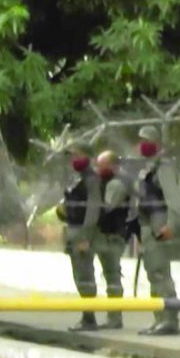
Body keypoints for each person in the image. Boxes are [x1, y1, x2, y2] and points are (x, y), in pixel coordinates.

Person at [136, 125, 180, 336]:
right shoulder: (150, 167)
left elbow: (175, 200)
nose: (142, 144)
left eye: (146, 140)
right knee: (153, 274)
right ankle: (159, 319)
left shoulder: (164, 166)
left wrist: (172, 225)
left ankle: (169, 320)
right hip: (149, 225)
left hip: (160, 222)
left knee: (160, 274)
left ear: (155, 142)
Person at [61, 142, 102, 332]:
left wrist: (86, 236)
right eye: (71, 155)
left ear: (86, 156)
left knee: (85, 275)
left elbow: (93, 209)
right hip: (72, 229)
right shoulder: (76, 179)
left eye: (76, 155)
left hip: (82, 232)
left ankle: (89, 318)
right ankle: (87, 316)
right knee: (79, 276)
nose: (72, 159)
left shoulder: (91, 179)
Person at [93, 150, 134, 329]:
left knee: (112, 276)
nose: (97, 170)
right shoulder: (109, 180)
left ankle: (115, 318)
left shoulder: (117, 183)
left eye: (101, 166)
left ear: (112, 165)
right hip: (107, 233)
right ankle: (113, 317)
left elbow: (106, 208)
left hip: (112, 235)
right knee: (110, 275)